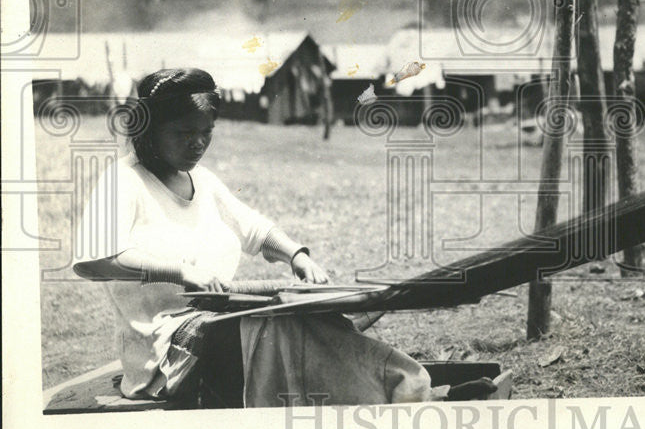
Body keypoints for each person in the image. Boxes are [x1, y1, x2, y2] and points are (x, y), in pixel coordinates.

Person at [76, 68, 495, 408]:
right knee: (277, 328)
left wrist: (297, 255)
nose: (198, 143)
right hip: (168, 349)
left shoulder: (199, 180)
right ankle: (407, 392)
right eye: (184, 133)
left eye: (207, 131)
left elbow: (255, 229)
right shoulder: (124, 181)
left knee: (309, 318)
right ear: (150, 129)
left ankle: (407, 390)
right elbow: (95, 261)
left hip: (220, 323)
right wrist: (180, 270)